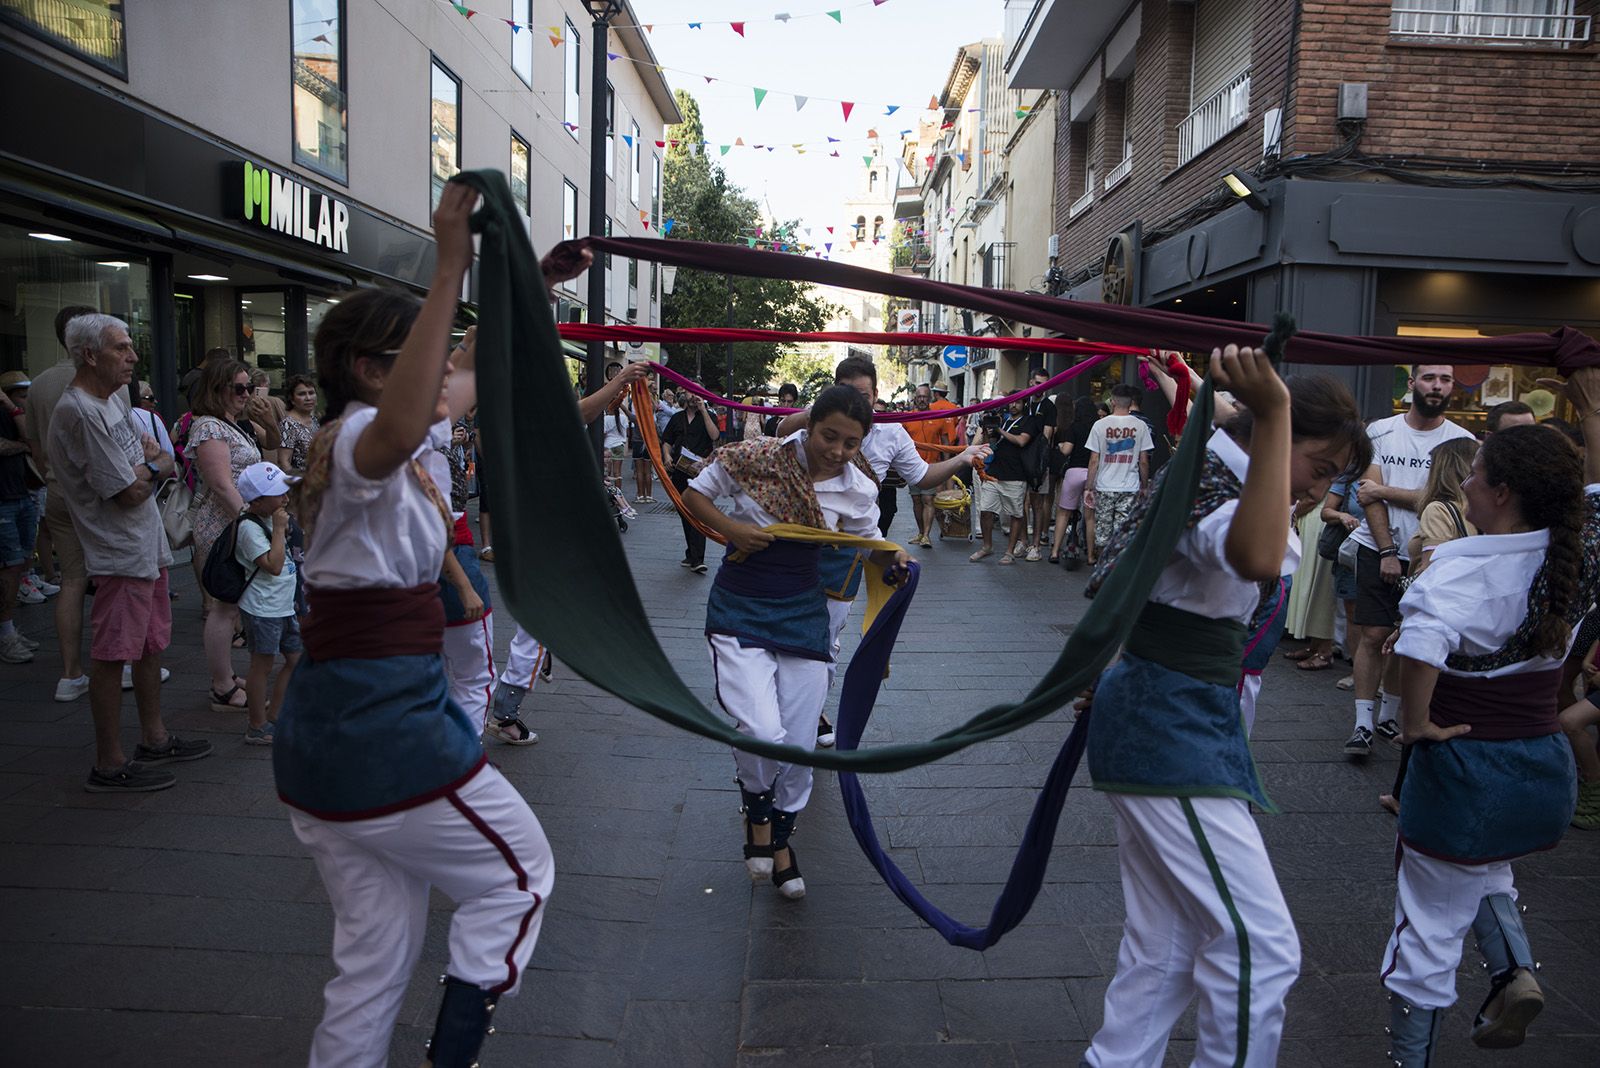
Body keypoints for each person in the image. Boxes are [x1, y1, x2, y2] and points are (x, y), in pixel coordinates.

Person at [275, 181, 553, 1068]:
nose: (442, 380)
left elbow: (459, 374)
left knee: (371, 966)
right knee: (519, 876)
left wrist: (529, 285)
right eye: (415, 359)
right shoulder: (355, 441)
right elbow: (400, 423)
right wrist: (448, 264)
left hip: (334, 741)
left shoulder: (381, 433)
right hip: (382, 733)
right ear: (367, 369)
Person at [1081, 351, 1370, 1067]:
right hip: (1166, 726)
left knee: (1167, 944)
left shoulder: (1208, 475)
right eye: (1321, 466)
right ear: (1278, 435)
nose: (1317, 486)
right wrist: (1273, 416)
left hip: (1173, 720)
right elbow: (1257, 557)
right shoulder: (1214, 483)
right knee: (1259, 946)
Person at [1380, 386, 1600, 1063]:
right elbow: (1589, 488)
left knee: (1425, 933)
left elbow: (1418, 649)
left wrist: (1415, 725)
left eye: (1475, 471)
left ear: (1501, 492)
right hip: (1539, 769)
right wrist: (1589, 407)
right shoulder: (1575, 556)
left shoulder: (1456, 573)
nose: (1465, 481)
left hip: (1467, 772)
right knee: (1490, 870)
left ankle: (1411, 1058)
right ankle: (1514, 973)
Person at [682, 384, 906, 900]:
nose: (838, 450)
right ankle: (757, 815)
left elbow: (867, 547)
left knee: (802, 744)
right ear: (809, 425)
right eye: (829, 436)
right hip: (742, 604)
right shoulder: (755, 457)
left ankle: (780, 840)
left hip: (805, 611)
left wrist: (892, 563)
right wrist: (731, 533)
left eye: (851, 444)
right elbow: (697, 494)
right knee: (761, 728)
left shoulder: (859, 489)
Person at [51, 313, 214, 791]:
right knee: (111, 655)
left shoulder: (115, 398)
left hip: (146, 545)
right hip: (118, 552)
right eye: (122, 347)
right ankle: (108, 763)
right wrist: (154, 464)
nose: (134, 356)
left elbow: (151, 463)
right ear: (89, 355)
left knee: (149, 645)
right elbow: (129, 491)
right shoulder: (79, 411)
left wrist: (151, 464)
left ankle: (154, 737)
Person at [1345, 365, 1476, 757]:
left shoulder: (1463, 440)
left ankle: (1390, 714)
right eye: (1430, 378)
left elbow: (1451, 502)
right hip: (1378, 547)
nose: (1437, 386)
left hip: (1436, 553)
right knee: (1372, 634)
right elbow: (1368, 498)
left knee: (1410, 641)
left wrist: (1385, 489)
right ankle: (1362, 723)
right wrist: (1387, 550)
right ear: (1413, 382)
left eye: (1446, 380)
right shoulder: (1381, 430)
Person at [25, 305, 100, 699]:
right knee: (112, 579)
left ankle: (71, 673)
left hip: (57, 488)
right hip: (100, 494)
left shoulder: (38, 383)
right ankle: (117, 664)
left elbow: (36, 450)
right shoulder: (103, 380)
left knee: (72, 579)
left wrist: (53, 477)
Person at [187, 358, 263, 711]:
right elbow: (219, 483)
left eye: (248, 387)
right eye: (239, 388)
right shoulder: (209, 427)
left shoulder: (228, 424)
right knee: (224, 607)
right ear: (217, 389)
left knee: (230, 607)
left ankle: (227, 676)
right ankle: (221, 683)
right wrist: (247, 521)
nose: (246, 394)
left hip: (235, 523)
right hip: (224, 526)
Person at [232, 461, 302, 746]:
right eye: (278, 493)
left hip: (282, 605)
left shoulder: (269, 517)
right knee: (262, 665)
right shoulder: (249, 528)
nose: (285, 498)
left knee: (296, 660)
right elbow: (272, 565)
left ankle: (274, 716)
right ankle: (256, 725)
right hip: (263, 608)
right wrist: (278, 529)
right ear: (257, 501)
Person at [1084, 384, 1152, 563]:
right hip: (1130, 486)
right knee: (1122, 533)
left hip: (1105, 486)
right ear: (1131, 403)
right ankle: (1117, 569)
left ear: (1112, 401)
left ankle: (1103, 567)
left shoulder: (1100, 425)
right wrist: (1144, 486)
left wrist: (1088, 488)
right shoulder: (1141, 426)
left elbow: (1093, 460)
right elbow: (1144, 461)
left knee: (1103, 533)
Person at [969, 397, 1040, 565]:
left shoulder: (1028, 421)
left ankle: (1009, 552)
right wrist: (987, 430)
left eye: (1017, 402)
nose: (1013, 405)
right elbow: (989, 445)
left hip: (1016, 475)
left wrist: (999, 430)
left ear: (1024, 405)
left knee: (1015, 514)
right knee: (985, 509)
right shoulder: (1004, 420)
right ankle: (987, 546)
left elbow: (1021, 441)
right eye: (1011, 402)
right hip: (994, 473)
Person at [0, 373, 38, 661]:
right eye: (20, 396)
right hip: (4, 500)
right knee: (10, 566)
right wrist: (23, 446)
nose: (26, 401)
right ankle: (6, 634)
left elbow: (31, 439)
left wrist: (14, 410)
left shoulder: (16, 417)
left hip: (23, 494)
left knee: (23, 561)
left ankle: (9, 631)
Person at [662, 389, 720, 575]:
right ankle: (691, 553)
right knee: (684, 511)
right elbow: (667, 441)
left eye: (697, 392)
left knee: (698, 511)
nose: (693, 395)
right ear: (684, 396)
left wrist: (703, 411)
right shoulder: (677, 418)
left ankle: (698, 559)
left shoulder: (708, 415)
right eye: (690, 391)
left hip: (700, 471)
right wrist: (666, 456)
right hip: (679, 470)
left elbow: (715, 436)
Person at [1049, 397, 1098, 567]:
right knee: (1090, 517)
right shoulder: (1097, 428)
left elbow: (1066, 451)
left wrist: (1061, 446)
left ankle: (1055, 551)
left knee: (1064, 513)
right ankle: (1091, 556)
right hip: (1093, 474)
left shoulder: (1073, 427)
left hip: (1074, 472)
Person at [904, 384, 951, 548]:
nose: (922, 399)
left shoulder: (938, 416)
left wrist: (947, 466)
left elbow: (945, 442)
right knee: (916, 500)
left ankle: (926, 535)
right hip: (912, 467)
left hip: (932, 466)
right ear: (915, 398)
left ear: (930, 398)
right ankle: (920, 532)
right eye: (919, 396)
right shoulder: (907, 418)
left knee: (928, 499)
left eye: (925, 396)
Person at [1023, 368, 1057, 562]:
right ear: (1030, 382)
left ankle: (1035, 544)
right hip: (1019, 459)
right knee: (1020, 502)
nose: (1041, 387)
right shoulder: (1024, 402)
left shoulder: (1049, 407)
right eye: (1037, 383)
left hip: (1038, 461)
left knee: (1037, 503)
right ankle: (1023, 541)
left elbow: (1047, 436)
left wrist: (1040, 463)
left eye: (1044, 384)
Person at [279, 374, 320, 474]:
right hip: (301, 482)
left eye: (311, 393)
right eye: (302, 394)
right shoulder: (288, 424)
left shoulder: (315, 420)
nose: (308, 398)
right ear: (292, 399)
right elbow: (284, 461)